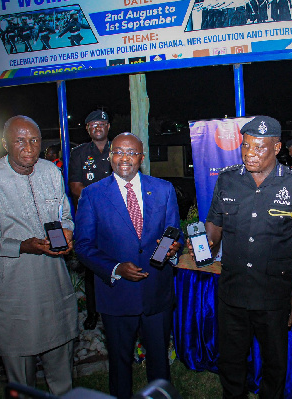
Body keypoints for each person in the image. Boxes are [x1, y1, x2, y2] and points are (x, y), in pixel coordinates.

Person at [0, 115, 78, 395]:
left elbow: (64, 216)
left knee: (62, 380)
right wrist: (21, 246)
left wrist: (68, 232)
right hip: (13, 297)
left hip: (54, 289)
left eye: (34, 140)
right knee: (22, 385)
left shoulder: (51, 172)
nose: (29, 147)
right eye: (20, 140)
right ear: (4, 144)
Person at [202, 116, 292, 399]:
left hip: (273, 294)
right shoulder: (228, 180)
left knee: (275, 364)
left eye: (259, 148)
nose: (250, 154)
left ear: (277, 147)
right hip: (233, 291)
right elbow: (215, 221)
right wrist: (208, 243)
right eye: (246, 146)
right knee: (231, 362)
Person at [74, 133, 182, 399]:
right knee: (120, 364)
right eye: (119, 152)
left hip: (156, 292)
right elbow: (83, 245)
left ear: (141, 158)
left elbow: (173, 233)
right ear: (110, 156)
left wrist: (172, 250)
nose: (125, 158)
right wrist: (116, 268)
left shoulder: (163, 189)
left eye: (132, 153)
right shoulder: (92, 195)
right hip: (117, 296)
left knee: (159, 364)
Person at [69, 109, 112, 330]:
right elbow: (76, 187)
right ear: (87, 129)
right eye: (93, 124)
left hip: (118, 219)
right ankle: (93, 312)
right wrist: (103, 204)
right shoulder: (78, 153)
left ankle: (116, 308)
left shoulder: (119, 149)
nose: (98, 127)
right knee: (92, 265)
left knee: (118, 259)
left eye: (102, 123)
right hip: (90, 219)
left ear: (108, 127)